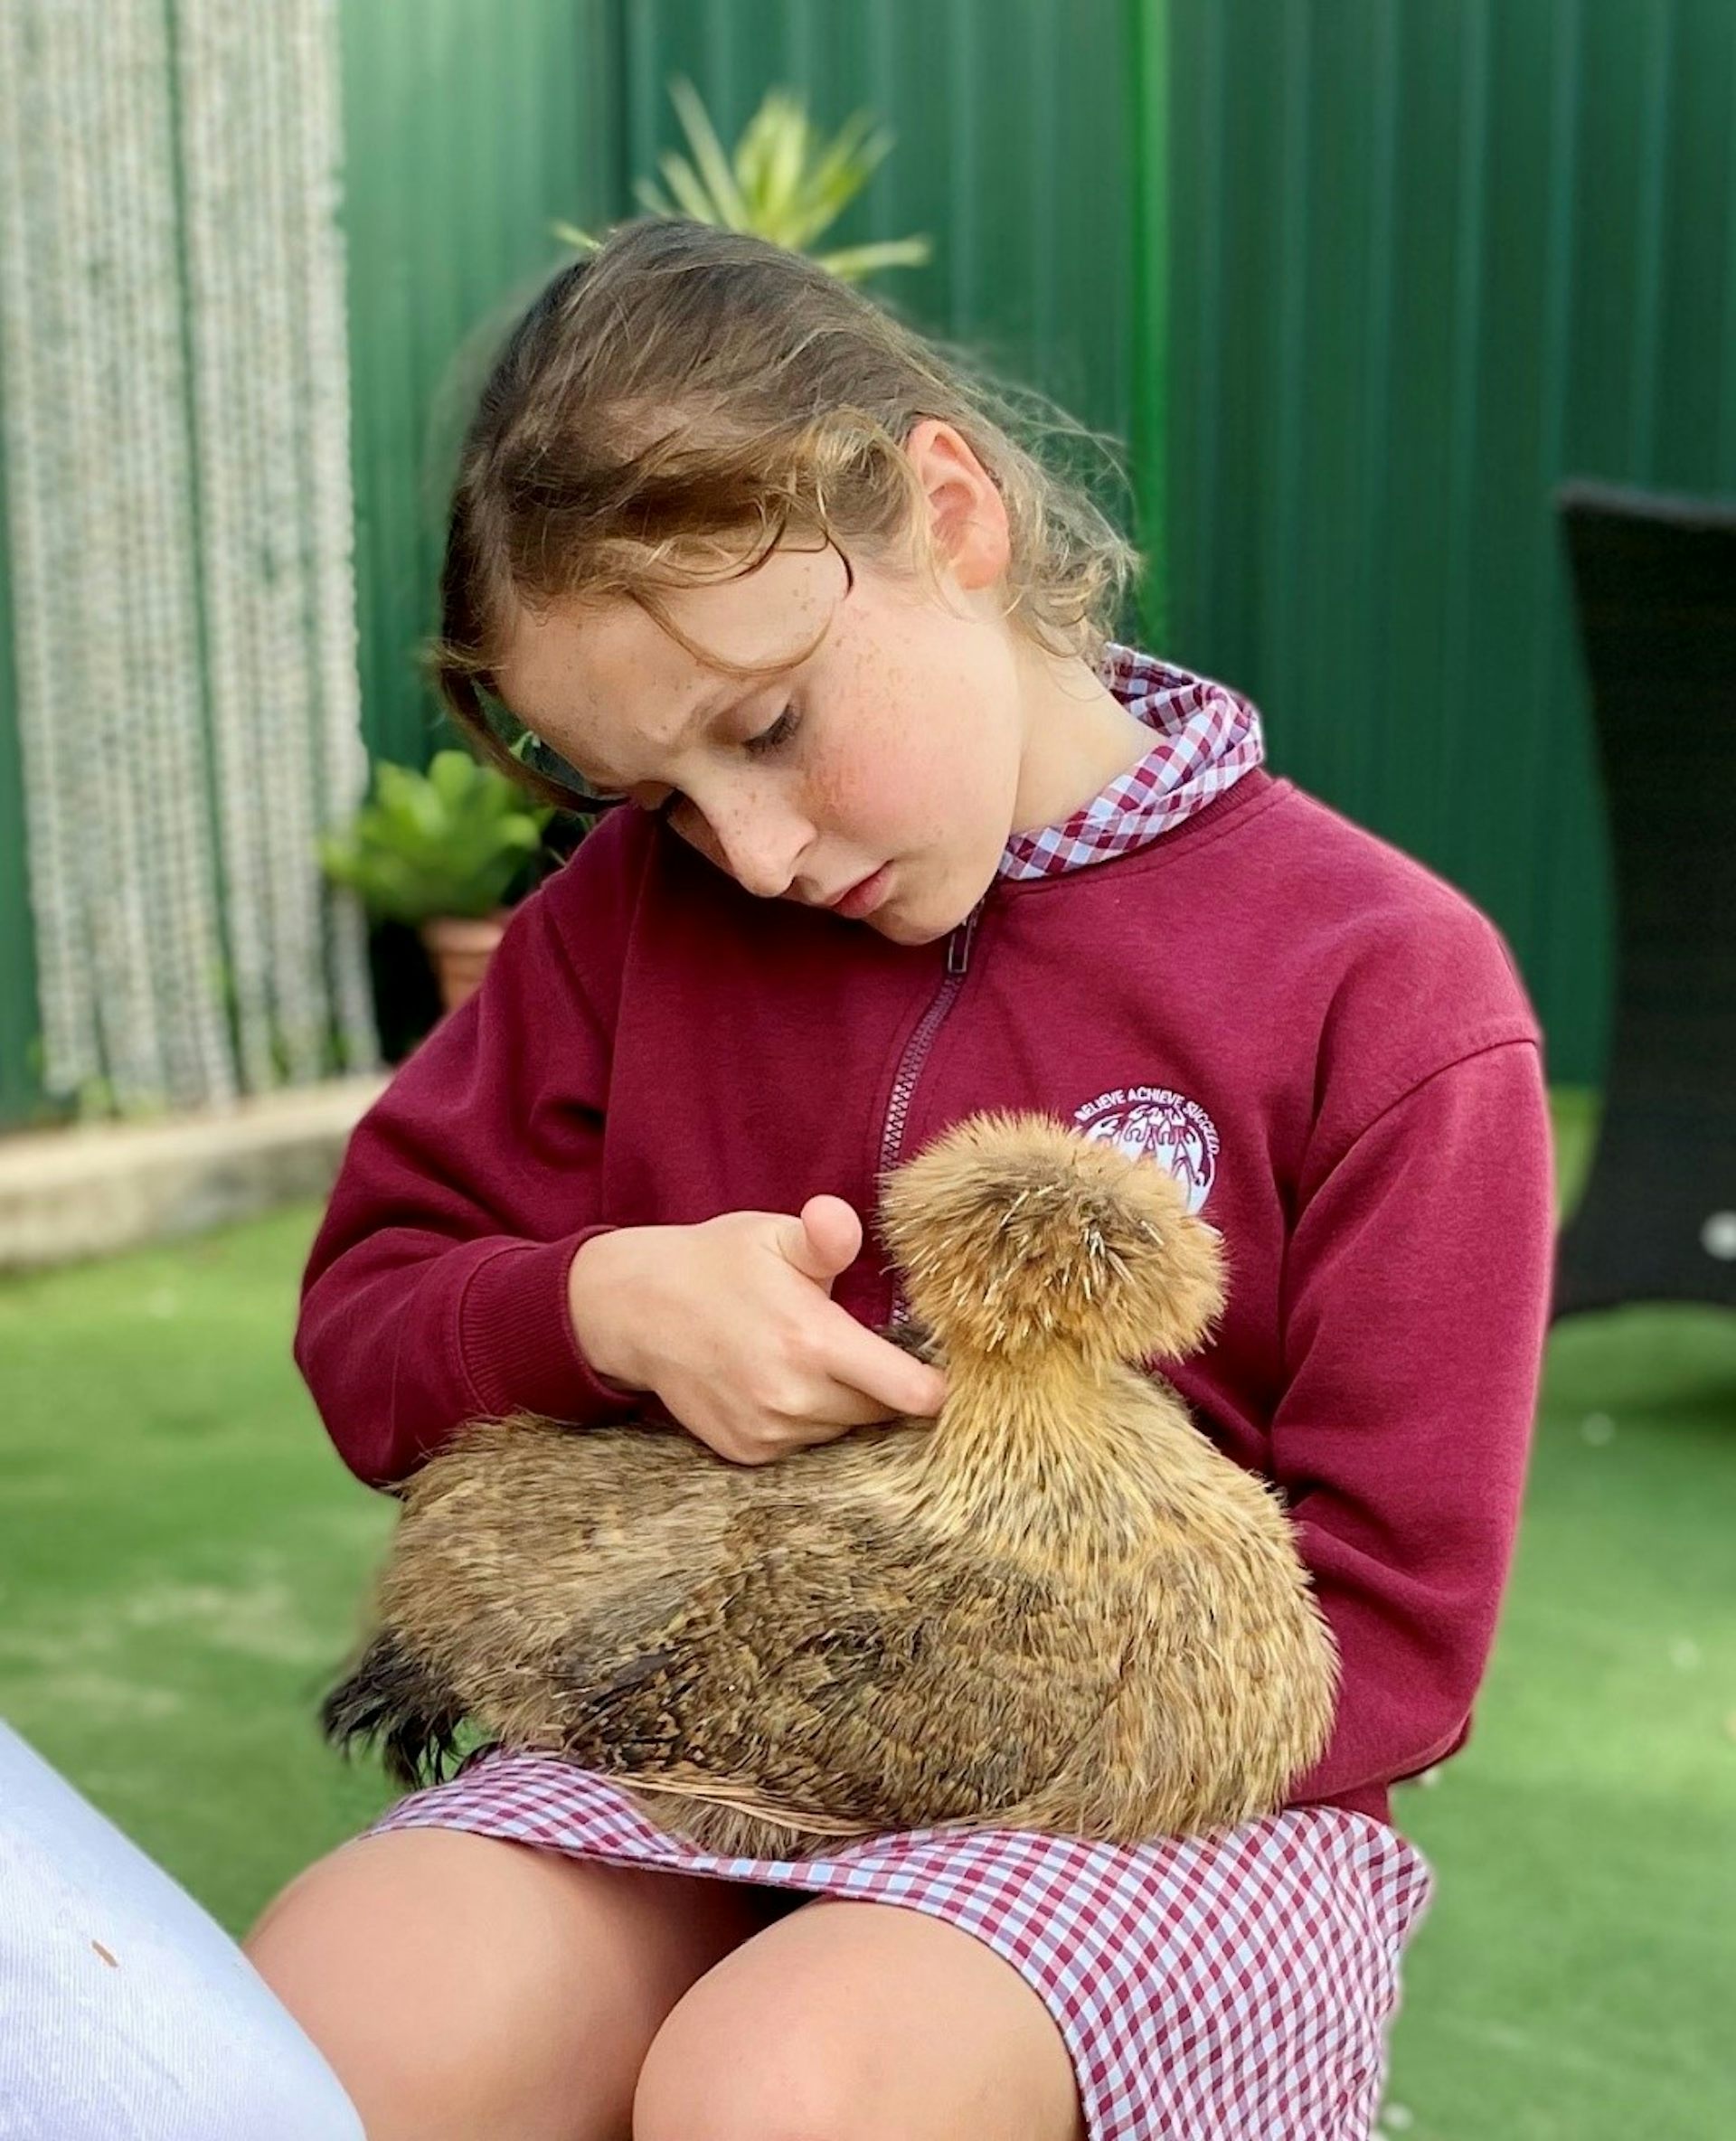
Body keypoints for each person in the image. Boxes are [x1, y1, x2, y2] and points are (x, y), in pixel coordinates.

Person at [248, 218, 1556, 2141]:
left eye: (771, 726)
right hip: (685, 1736)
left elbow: (1399, 1641)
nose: (752, 851)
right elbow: (367, 1329)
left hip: (1171, 1810)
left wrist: (938, 1723)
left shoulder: (1386, 983)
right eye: (663, 795)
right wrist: (602, 1303)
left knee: (787, 2083)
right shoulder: (625, 925)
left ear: (948, 514)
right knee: (339, 2009)